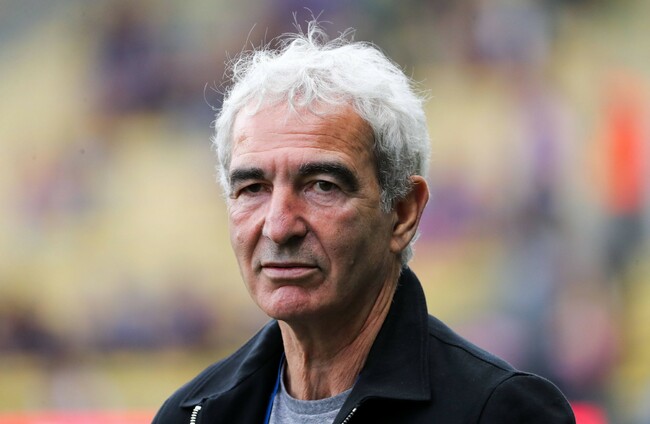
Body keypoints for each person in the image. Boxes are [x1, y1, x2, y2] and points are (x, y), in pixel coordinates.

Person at [153, 21, 575, 424]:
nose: (279, 227)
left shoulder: (499, 412)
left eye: (322, 186)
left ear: (403, 213)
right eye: (253, 189)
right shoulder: (191, 415)